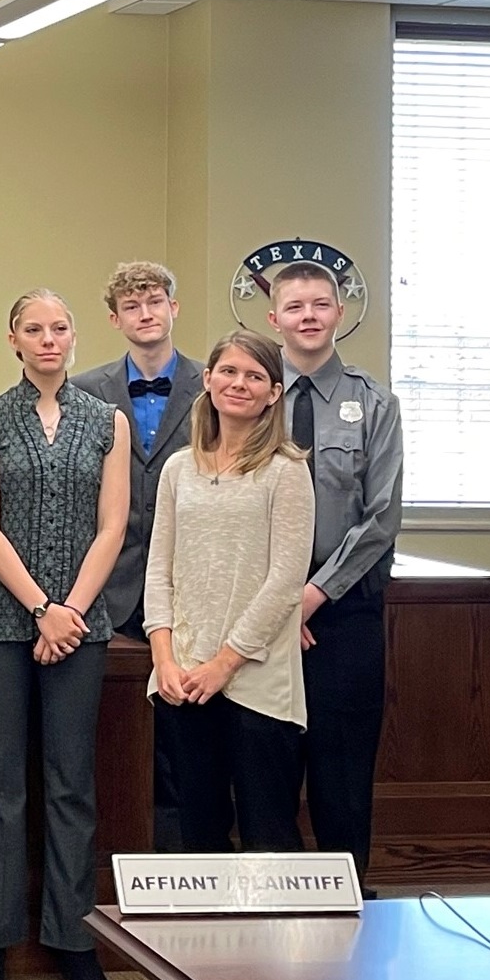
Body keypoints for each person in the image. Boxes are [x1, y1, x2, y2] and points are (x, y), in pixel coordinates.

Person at [0, 289, 129, 980]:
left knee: (70, 781)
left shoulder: (106, 420)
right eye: (34, 328)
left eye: (59, 327)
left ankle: (70, 936)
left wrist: (71, 613)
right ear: (13, 339)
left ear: (72, 336)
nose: (48, 338)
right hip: (0, 622)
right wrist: (39, 607)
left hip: (80, 627)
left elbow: (112, 524)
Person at [145, 329, 314, 861]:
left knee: (268, 836)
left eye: (255, 376)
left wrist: (226, 662)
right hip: (184, 678)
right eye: (229, 371)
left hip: (257, 681)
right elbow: (159, 569)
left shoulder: (286, 471)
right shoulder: (178, 468)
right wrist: (164, 659)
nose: (239, 384)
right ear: (208, 379)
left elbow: (287, 580)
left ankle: (273, 947)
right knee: (198, 835)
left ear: (273, 394)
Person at [270, 259, 403, 894]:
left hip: (342, 613)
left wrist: (313, 595)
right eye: (295, 307)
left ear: (340, 314)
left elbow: (382, 516)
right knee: (266, 766)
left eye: (321, 305)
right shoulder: (249, 394)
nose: (309, 317)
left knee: (341, 768)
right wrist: (276, 603)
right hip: (260, 617)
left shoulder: (374, 402)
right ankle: (280, 904)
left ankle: (348, 898)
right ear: (274, 318)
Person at [70, 262, 204, 858]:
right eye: (132, 306)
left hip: (193, 586)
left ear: (174, 308)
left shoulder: (215, 382)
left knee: (187, 743)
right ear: (114, 319)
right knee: (116, 738)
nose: (145, 313)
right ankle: (121, 866)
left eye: (155, 302)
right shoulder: (88, 390)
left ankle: (187, 869)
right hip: (113, 588)